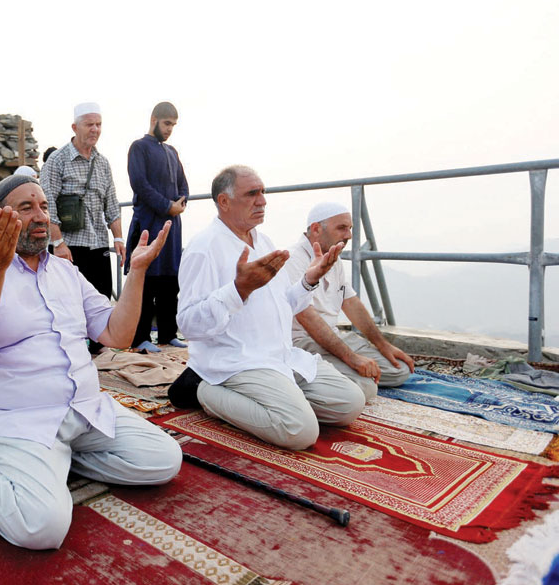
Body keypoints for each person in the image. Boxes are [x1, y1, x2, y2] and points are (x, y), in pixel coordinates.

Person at [0, 174, 181, 550]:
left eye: (43, 206)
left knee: (163, 461)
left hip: (84, 410)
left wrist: (136, 272)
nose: (40, 215)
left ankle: (54, 462)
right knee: (41, 526)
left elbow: (117, 335)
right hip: (19, 418)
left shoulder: (65, 272)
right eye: (26, 207)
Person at [177, 165, 365, 450]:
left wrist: (309, 281)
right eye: (252, 193)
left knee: (350, 403)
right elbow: (187, 324)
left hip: (277, 354)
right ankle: (202, 389)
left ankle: (281, 398)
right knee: (300, 431)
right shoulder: (204, 247)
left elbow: (282, 305)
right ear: (224, 202)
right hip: (237, 360)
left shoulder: (264, 242)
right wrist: (238, 290)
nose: (262, 200)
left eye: (263, 192)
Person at [286, 203, 414, 400]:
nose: (348, 235)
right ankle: (294, 379)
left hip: (333, 337)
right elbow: (308, 318)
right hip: (303, 343)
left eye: (350, 228)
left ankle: (339, 374)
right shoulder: (293, 259)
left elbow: (351, 302)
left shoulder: (334, 257)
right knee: (366, 387)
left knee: (399, 370)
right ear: (316, 229)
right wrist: (352, 359)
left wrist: (383, 345)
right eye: (342, 228)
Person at [40, 103, 124, 353]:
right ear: (75, 127)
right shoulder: (57, 160)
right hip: (69, 245)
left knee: (98, 298)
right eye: (90, 124)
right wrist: (58, 243)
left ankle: (98, 348)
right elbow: (47, 205)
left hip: (98, 242)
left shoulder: (102, 162)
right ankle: (71, 349)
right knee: (68, 302)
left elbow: (111, 203)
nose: (95, 129)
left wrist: (118, 238)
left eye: (98, 124)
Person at [125, 101, 190, 352]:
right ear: (154, 120)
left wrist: (180, 202)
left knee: (169, 283)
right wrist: (166, 206)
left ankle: (167, 334)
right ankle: (140, 338)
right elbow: (140, 185)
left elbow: (183, 184)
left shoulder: (172, 151)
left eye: (173, 125)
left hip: (172, 228)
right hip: (148, 225)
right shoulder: (138, 148)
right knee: (146, 283)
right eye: (167, 123)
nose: (170, 129)